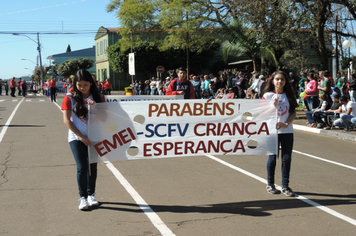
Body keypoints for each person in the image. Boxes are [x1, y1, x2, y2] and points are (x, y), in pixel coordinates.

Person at [61, 69, 105, 210]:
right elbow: (67, 120)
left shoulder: (99, 97)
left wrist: (95, 107)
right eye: (79, 85)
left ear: (91, 83)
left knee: (92, 166)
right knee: (82, 167)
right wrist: (81, 136)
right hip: (76, 137)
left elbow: (105, 118)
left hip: (95, 137)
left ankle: (91, 194)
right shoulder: (69, 97)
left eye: (85, 85)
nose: (82, 88)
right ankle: (83, 197)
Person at [262, 71, 298, 197]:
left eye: (282, 79)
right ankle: (270, 184)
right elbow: (261, 113)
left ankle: (285, 186)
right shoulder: (267, 96)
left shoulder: (289, 95)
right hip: (272, 132)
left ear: (285, 81)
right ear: (272, 81)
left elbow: (293, 112)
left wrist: (286, 124)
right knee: (273, 157)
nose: (279, 81)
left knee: (286, 158)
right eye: (277, 79)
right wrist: (272, 106)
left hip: (287, 131)